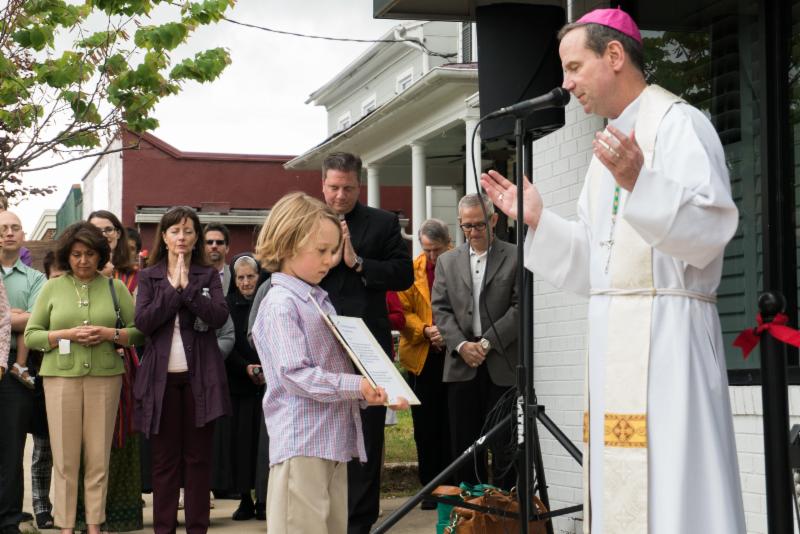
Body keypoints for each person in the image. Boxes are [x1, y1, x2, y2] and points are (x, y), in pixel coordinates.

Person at [480, 7, 745, 533]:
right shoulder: (608, 145)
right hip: (615, 341)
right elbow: (596, 265)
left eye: (575, 67)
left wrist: (641, 182)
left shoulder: (679, 125)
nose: (566, 83)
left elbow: (711, 232)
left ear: (616, 55)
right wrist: (538, 221)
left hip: (671, 342)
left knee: (675, 488)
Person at [252, 191, 403, 534]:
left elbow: (336, 369)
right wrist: (358, 386)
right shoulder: (281, 304)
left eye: (334, 251)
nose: (331, 260)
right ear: (288, 244)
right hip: (302, 443)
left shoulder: (317, 299)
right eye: (322, 251)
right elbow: (295, 374)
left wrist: (373, 392)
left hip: (330, 441)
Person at [24, 222, 144, 534]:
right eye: (76, 254)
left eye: (90, 254)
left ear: (100, 254)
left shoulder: (115, 288)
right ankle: (65, 526)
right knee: (64, 459)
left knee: (98, 457)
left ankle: (93, 524)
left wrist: (109, 334)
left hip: (106, 378)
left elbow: (138, 333)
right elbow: (31, 336)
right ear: (67, 255)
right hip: (59, 380)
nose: (83, 260)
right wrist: (66, 334)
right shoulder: (52, 287)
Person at [318, 152, 414, 534]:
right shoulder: (305, 219)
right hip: (316, 338)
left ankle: (359, 524)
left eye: (348, 188)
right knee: (322, 430)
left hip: (366, 344)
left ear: (359, 185)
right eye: (333, 187)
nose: (340, 196)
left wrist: (358, 262)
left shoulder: (382, 222)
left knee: (367, 436)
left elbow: (404, 274)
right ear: (322, 184)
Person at [133, 206, 231, 534]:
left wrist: (188, 288)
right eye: (175, 231)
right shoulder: (149, 276)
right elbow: (144, 323)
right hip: (160, 381)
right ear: (164, 236)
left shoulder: (207, 275)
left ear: (196, 237)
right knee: (164, 463)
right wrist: (173, 290)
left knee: (198, 461)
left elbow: (218, 317)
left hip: (200, 379)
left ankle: (197, 529)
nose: (182, 238)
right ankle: (164, 528)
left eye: (188, 232)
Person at [431, 195, 518, 489]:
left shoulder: (516, 255)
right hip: (461, 364)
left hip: (501, 363)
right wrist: (461, 345)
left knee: (504, 445)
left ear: (494, 220)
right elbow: (440, 308)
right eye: (466, 226)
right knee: (465, 446)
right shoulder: (447, 261)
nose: (473, 231)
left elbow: (520, 308)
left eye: (479, 224)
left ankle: (506, 511)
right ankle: (471, 513)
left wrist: (486, 344)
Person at [84, 209, 143, 532]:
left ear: (119, 234)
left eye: (110, 229)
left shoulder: (133, 276)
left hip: (122, 365)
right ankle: (85, 514)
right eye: (97, 229)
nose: (104, 234)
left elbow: (140, 325)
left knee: (120, 436)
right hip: (79, 366)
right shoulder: (73, 271)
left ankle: (120, 513)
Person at [397, 218, 452, 507]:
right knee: (425, 425)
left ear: (448, 244)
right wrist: (425, 329)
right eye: (427, 249)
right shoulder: (411, 270)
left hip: (453, 354)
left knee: (452, 422)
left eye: (437, 250)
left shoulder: (458, 264)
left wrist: (448, 332)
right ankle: (430, 487)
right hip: (421, 357)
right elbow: (402, 310)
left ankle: (454, 485)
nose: (431, 256)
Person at [0, 211, 44, 534]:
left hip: (16, 368)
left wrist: (15, 317)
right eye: (2, 228)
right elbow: (21, 317)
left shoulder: (35, 279)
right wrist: (15, 314)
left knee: (11, 446)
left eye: (15, 227)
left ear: (23, 235)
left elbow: (37, 320)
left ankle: (9, 518)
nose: (9, 233)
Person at [219, 255, 266, 521]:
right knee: (242, 445)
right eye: (241, 277)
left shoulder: (268, 302)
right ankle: (245, 499)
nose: (246, 282)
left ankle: (264, 499)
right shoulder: (227, 306)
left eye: (251, 276)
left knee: (263, 444)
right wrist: (245, 367)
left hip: (267, 383)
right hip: (239, 383)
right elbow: (228, 342)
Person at [204, 223, 231, 296]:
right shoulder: (193, 275)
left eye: (219, 242)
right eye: (209, 242)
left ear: (227, 248)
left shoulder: (235, 276)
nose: (214, 246)